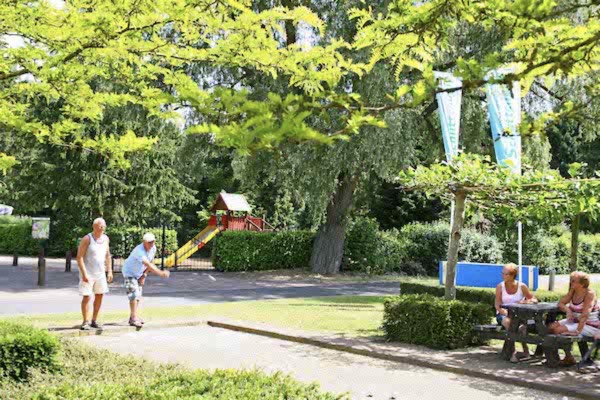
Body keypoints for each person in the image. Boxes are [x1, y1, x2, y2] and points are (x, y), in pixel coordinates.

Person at [548, 271, 599, 366]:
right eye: (571, 280)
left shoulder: (589, 294)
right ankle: (567, 357)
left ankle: (568, 357)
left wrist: (577, 332)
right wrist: (568, 310)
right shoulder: (573, 291)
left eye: (574, 281)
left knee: (558, 330)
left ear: (582, 283)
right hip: (575, 321)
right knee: (550, 327)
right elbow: (561, 303)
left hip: (589, 324)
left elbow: (585, 315)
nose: (571, 282)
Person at [122, 232, 169, 327]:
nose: (151, 244)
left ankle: (133, 317)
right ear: (144, 242)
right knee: (134, 294)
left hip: (139, 274)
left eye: (153, 242)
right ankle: (134, 318)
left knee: (138, 295)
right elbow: (147, 264)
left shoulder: (153, 248)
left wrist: (144, 275)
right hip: (129, 273)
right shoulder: (139, 251)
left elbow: (151, 261)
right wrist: (160, 273)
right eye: (149, 242)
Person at [495, 263, 538, 362]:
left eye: (505, 274)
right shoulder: (500, 287)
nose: (502, 276)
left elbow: (534, 300)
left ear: (512, 275)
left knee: (521, 327)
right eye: (503, 273)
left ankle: (524, 351)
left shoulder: (522, 286)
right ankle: (513, 352)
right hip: (504, 314)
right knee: (509, 323)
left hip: (519, 315)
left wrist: (524, 302)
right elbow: (497, 305)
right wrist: (507, 313)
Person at [76, 217, 113, 330]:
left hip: (100, 272)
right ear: (94, 226)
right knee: (87, 296)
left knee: (99, 295)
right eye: (100, 225)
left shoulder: (106, 239)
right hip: (88, 272)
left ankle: (94, 320)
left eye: (103, 226)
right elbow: (79, 257)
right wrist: (84, 274)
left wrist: (109, 271)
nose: (102, 227)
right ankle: (85, 321)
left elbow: (107, 255)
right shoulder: (87, 239)